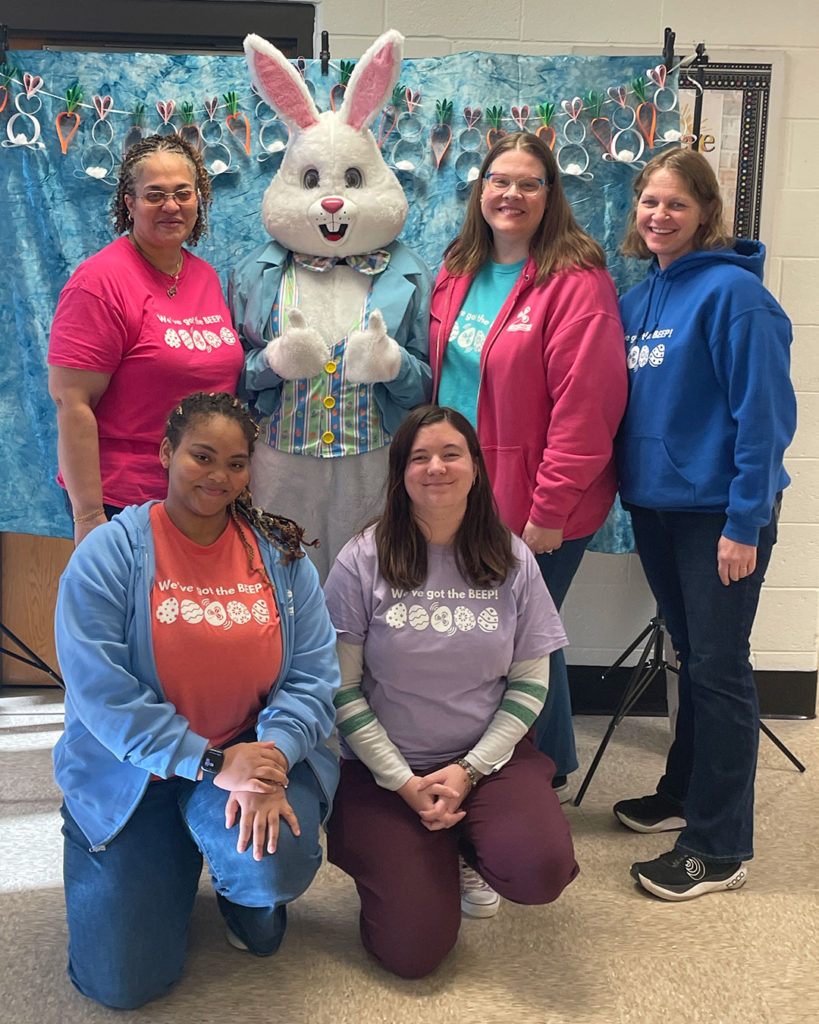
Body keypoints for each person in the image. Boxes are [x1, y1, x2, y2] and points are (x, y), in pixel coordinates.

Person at [53, 392, 340, 1009]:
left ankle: (240, 892)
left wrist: (269, 760)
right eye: (201, 456)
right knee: (123, 986)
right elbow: (99, 692)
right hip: (137, 770)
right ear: (165, 452)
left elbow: (315, 677)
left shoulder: (282, 558)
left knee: (272, 866)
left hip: (249, 759)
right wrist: (210, 764)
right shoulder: (110, 552)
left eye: (236, 463)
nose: (219, 477)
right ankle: (165, 853)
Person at [323, 405, 578, 979]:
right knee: (411, 954)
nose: (435, 467)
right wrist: (404, 782)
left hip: (487, 763)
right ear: (400, 473)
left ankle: (462, 844)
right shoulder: (361, 559)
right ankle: (422, 853)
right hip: (386, 770)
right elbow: (340, 690)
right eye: (419, 457)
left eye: (450, 454)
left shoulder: (513, 559)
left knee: (539, 870)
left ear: (476, 468)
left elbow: (531, 683)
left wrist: (470, 770)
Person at [613, 148, 796, 901]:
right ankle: (682, 794)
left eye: (676, 204)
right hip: (657, 509)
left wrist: (745, 521)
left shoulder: (734, 298)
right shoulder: (636, 299)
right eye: (649, 202)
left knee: (720, 669)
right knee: (690, 655)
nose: (659, 216)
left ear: (705, 212)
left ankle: (719, 848)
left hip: (721, 514)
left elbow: (765, 419)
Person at [429, 132, 627, 800]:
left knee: (524, 639)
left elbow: (587, 407)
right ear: (480, 189)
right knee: (515, 639)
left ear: (550, 196)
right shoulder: (458, 267)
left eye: (528, 183)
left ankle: (539, 777)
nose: (510, 194)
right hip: (462, 496)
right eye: (498, 180)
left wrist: (550, 510)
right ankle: (541, 766)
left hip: (540, 503)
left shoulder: (575, 280)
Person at [48, 134, 243, 545]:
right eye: (154, 194)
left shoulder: (204, 275)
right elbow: (72, 403)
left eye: (182, 193)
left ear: (198, 200)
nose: (171, 206)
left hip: (201, 497)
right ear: (129, 203)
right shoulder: (99, 283)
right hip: (123, 502)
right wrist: (88, 515)